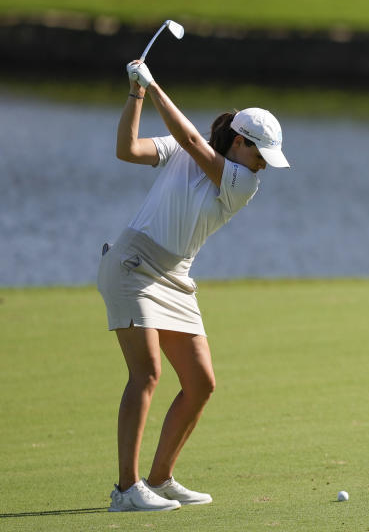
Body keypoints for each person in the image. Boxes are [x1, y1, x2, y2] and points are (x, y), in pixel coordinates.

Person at [97, 59, 290, 512]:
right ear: (240, 142)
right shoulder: (187, 150)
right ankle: (126, 490)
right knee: (146, 374)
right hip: (131, 266)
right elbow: (127, 149)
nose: (262, 165)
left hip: (175, 279)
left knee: (201, 383)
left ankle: (160, 479)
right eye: (259, 153)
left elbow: (190, 139)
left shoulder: (244, 182)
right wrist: (137, 94)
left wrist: (154, 84)